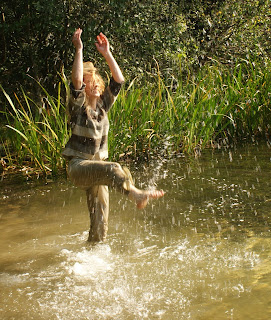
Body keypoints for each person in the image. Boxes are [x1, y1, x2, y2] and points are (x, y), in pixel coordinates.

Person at [62, 28, 164, 242]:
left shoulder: (102, 107)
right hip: (80, 167)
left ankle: (93, 255)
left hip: (97, 170)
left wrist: (107, 53)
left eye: (97, 81)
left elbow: (118, 80)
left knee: (100, 223)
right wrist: (79, 49)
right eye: (91, 82)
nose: (96, 84)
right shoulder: (78, 108)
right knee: (114, 168)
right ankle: (135, 193)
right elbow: (76, 82)